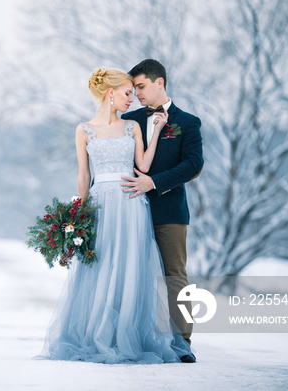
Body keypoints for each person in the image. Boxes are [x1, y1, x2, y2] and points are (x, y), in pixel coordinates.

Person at [38, 67, 191, 364]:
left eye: (134, 92)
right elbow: (84, 175)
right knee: (101, 264)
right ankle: (99, 334)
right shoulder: (84, 129)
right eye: (127, 93)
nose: (131, 99)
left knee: (131, 265)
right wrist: (78, 215)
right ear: (111, 93)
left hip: (131, 203)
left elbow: (144, 166)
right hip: (100, 204)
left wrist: (157, 130)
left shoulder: (131, 127)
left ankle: (130, 333)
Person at [121, 59, 203, 362]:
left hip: (169, 211)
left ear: (160, 83)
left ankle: (182, 343)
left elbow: (193, 165)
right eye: (133, 88)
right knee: (130, 274)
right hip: (128, 212)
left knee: (174, 276)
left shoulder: (188, 121)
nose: (137, 93)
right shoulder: (126, 120)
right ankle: (131, 337)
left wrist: (153, 183)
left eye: (141, 87)